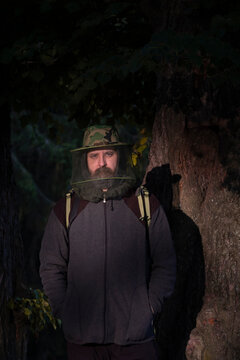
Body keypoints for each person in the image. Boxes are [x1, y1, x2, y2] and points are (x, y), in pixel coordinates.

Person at [39, 125, 176, 360]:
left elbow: (165, 263)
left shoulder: (143, 203)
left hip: (136, 341)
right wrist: (65, 310)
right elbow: (51, 266)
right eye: (94, 155)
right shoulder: (67, 208)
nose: (101, 162)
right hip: (82, 342)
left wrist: (149, 307)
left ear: (118, 156)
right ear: (85, 160)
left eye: (108, 154)